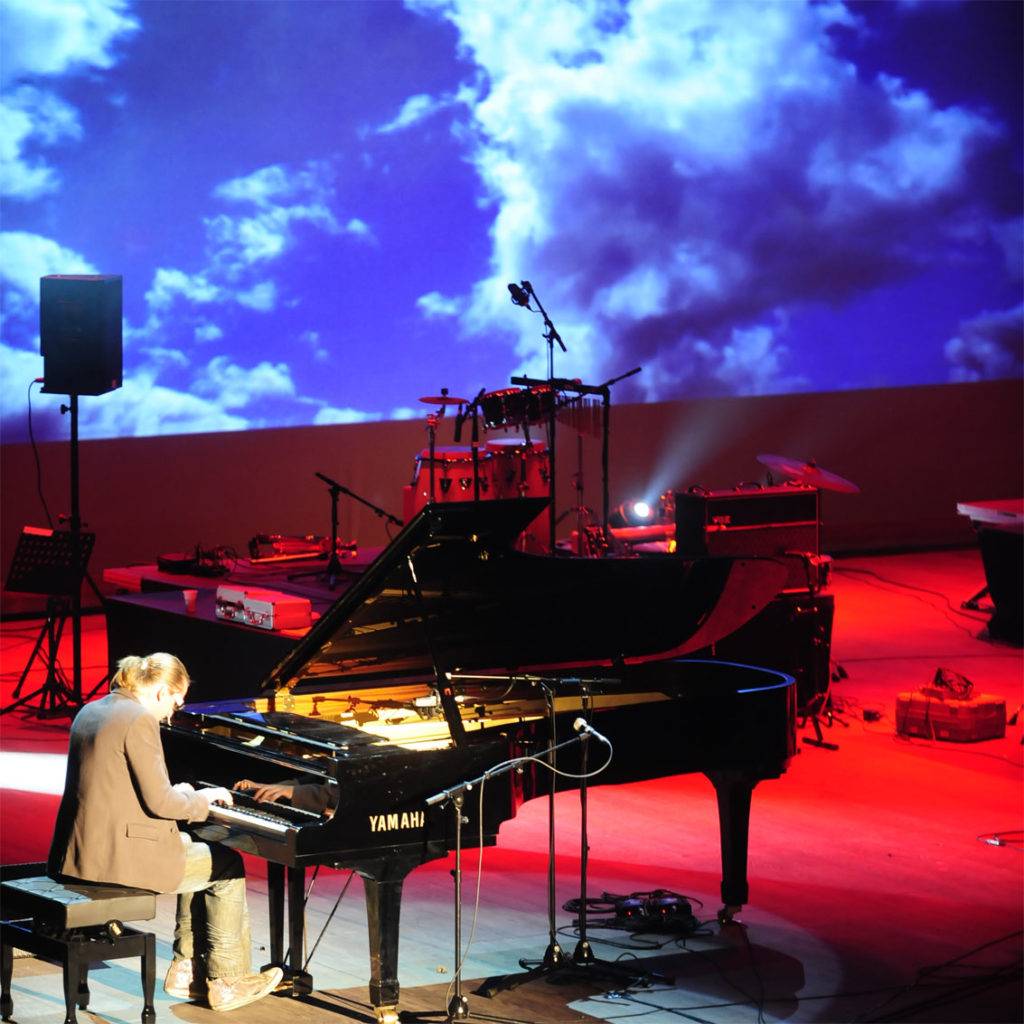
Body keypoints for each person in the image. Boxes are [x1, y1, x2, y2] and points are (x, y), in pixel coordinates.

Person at [47, 653, 283, 1012]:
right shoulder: (139, 719)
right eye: (176, 702)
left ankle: (186, 970)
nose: (173, 712)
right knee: (227, 866)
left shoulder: (93, 710)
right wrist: (201, 799)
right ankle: (228, 981)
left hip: (82, 851)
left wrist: (184, 793)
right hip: (118, 859)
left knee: (195, 849)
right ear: (161, 692)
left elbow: (125, 789)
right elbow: (161, 804)